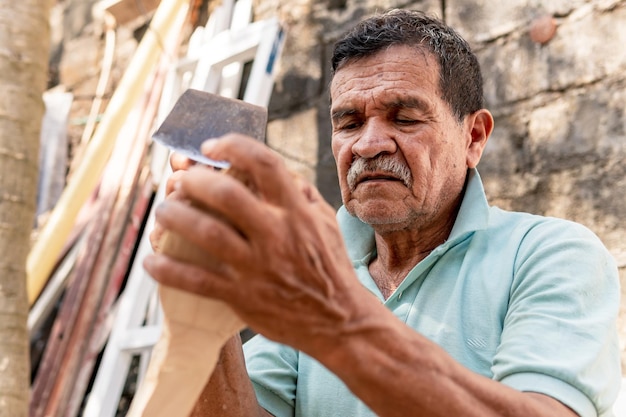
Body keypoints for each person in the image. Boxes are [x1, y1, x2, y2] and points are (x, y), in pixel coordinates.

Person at [144, 8, 621, 417]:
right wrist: (200, 301)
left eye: (405, 118)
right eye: (348, 122)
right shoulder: (315, 266)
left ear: (473, 137)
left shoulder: (549, 253)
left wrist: (333, 320)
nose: (369, 144)